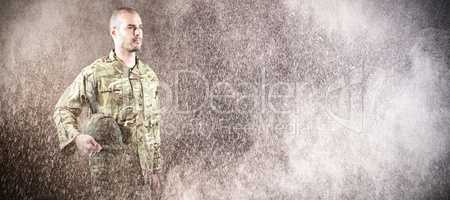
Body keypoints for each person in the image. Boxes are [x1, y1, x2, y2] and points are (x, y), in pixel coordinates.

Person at [53, 7, 161, 199]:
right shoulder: (95, 72)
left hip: (142, 178)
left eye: (140, 27)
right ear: (114, 32)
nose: (137, 33)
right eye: (130, 27)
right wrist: (77, 138)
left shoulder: (149, 76)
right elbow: (63, 109)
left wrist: (154, 169)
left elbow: (153, 126)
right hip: (109, 176)